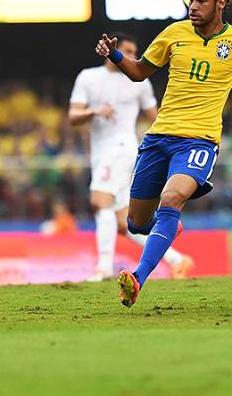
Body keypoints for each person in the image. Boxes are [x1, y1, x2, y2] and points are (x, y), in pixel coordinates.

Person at [95, 0, 232, 307]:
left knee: (172, 198)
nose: (193, 5)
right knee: (136, 222)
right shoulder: (174, 33)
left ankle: (137, 278)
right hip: (158, 138)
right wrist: (115, 55)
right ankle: (169, 226)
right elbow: (138, 72)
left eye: (201, 0)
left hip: (199, 141)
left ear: (220, 3)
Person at [69, 34, 194, 282]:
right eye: (126, 50)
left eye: (134, 52)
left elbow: (156, 117)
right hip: (101, 152)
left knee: (98, 202)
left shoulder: (139, 82)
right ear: (113, 50)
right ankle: (176, 259)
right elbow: (73, 116)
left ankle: (103, 268)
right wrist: (95, 111)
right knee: (123, 222)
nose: (130, 57)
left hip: (122, 148)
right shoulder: (89, 77)